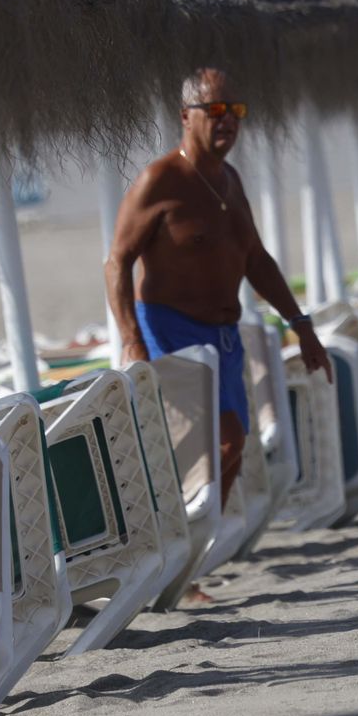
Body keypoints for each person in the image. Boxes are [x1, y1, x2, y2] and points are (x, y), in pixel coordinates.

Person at [106, 68, 332, 598]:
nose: (228, 121)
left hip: (225, 335)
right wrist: (132, 338)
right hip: (169, 329)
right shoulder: (159, 180)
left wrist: (301, 325)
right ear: (186, 116)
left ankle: (188, 567)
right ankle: (174, 565)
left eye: (237, 112)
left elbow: (255, 258)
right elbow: (117, 261)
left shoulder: (230, 181)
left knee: (233, 446)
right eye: (216, 111)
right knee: (212, 444)